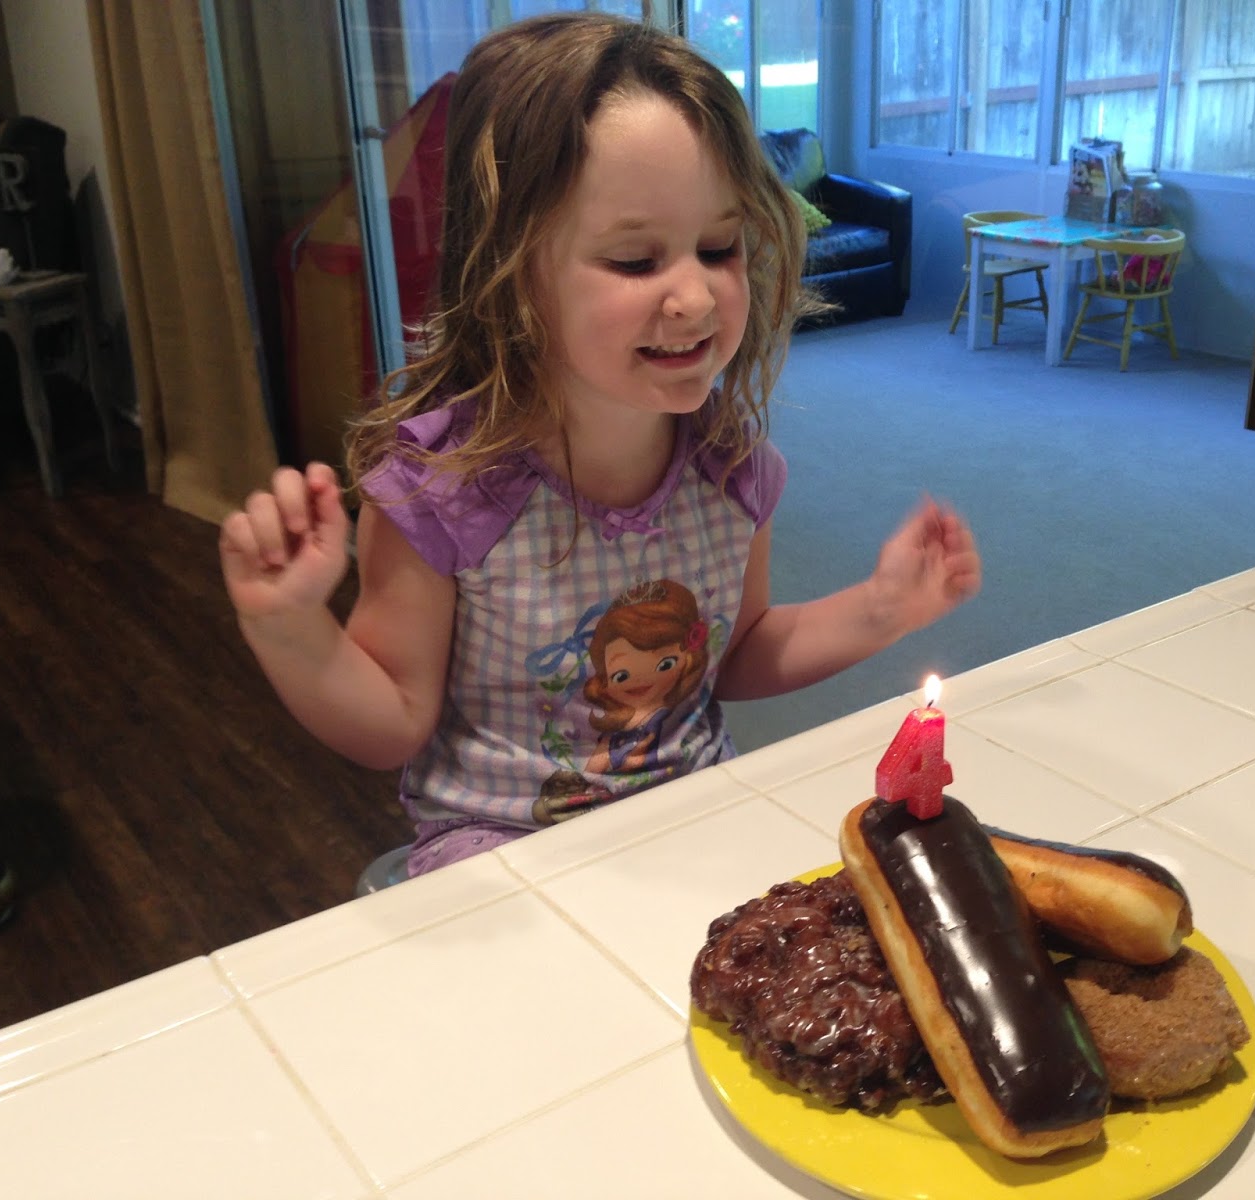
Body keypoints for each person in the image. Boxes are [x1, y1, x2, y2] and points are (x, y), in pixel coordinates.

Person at [218, 12, 981, 878]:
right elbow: (391, 720)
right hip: (504, 851)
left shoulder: (731, 470)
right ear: (511, 274)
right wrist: (288, 627)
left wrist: (882, 606)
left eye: (718, 247)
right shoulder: (443, 492)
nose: (696, 297)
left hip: (695, 813)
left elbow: (734, 655)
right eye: (635, 261)